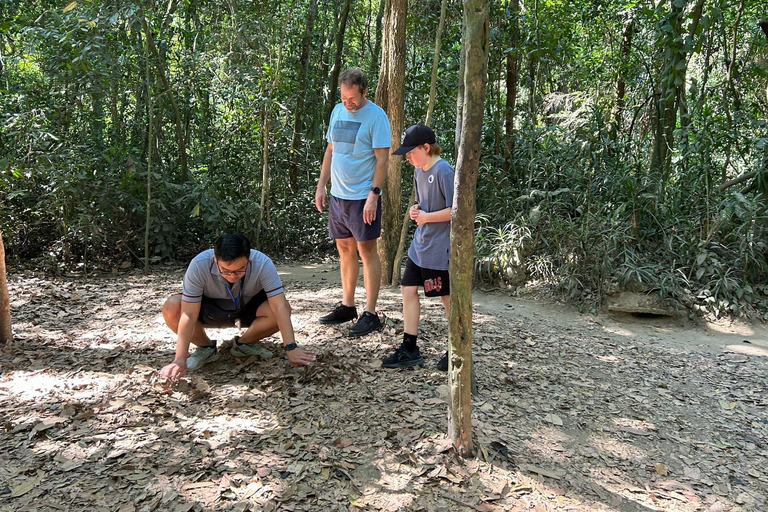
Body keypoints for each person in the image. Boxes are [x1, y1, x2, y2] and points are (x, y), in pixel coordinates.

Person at [159, 234, 316, 379]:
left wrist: (291, 347)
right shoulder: (199, 264)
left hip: (247, 309)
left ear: (249, 258)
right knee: (172, 307)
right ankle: (205, 348)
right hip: (209, 309)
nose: (232, 276)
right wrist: (179, 359)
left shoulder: (262, 263)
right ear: (215, 259)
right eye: (225, 270)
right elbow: (189, 314)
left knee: (283, 309)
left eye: (240, 270)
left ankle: (243, 344)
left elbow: (280, 307)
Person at [315, 67, 391, 337]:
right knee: (344, 249)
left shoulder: (376, 116)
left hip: (362, 198)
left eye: (353, 99)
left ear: (364, 92)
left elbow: (382, 159)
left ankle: (370, 312)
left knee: (366, 251)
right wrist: (322, 184)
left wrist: (374, 194)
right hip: (339, 196)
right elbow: (330, 150)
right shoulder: (337, 111)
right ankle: (348, 306)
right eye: (344, 97)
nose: (348, 103)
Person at [381, 124, 454, 370]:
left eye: (411, 152)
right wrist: (415, 210)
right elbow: (421, 204)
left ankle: (455, 349)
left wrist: (426, 217)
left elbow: (457, 211)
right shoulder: (419, 171)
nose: (408, 157)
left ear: (426, 147)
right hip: (419, 245)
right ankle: (409, 347)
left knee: (447, 298)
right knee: (407, 290)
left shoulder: (444, 170)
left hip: (439, 249)